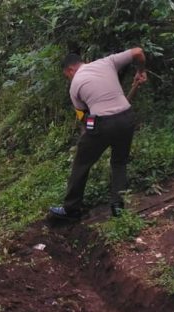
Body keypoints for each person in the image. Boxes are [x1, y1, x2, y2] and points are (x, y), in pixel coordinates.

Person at [49, 48, 147, 221]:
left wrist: (88, 138)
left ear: (70, 70)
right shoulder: (107, 62)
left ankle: (71, 209)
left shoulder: (75, 85)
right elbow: (138, 52)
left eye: (67, 75)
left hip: (102, 123)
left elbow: (84, 118)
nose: (69, 78)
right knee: (119, 162)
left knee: (81, 163)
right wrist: (140, 71)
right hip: (127, 117)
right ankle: (118, 207)